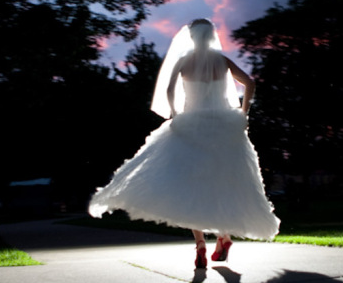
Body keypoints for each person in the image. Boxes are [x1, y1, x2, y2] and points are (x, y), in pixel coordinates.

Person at [88, 18, 280, 268]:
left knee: (191, 184)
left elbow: (169, 89)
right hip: (224, 127)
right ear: (211, 36)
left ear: (191, 37)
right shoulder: (222, 61)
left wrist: (176, 113)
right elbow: (250, 83)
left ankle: (200, 244)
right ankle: (224, 236)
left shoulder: (184, 61)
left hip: (191, 126)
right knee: (223, 180)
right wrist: (244, 111)